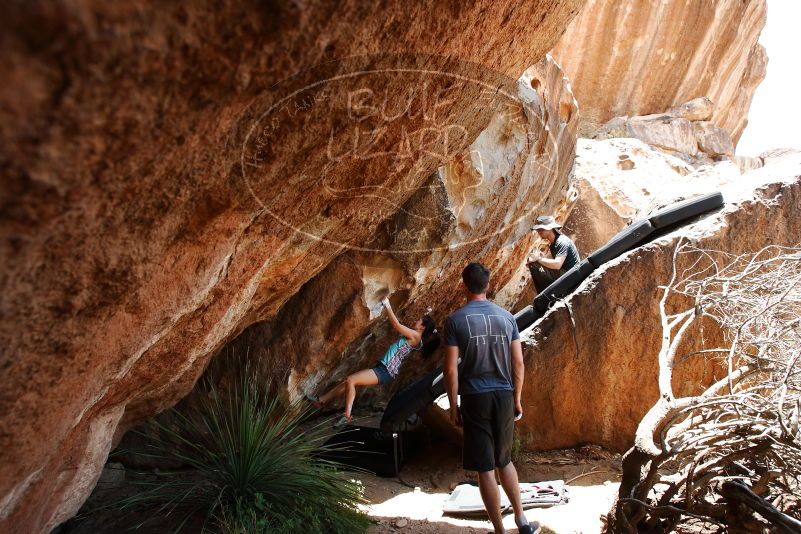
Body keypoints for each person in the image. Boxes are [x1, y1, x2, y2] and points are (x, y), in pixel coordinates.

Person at [443, 263, 540, 534]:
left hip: (475, 396)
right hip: (503, 394)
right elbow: (518, 363)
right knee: (504, 460)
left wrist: (453, 406)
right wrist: (517, 398)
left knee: (485, 467)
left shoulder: (455, 320)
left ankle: (499, 531)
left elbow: (450, 369)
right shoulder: (507, 318)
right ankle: (522, 522)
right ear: (489, 285)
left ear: (464, 286)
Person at [306, 297, 438, 428]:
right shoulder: (416, 338)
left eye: (419, 320)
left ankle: (347, 415)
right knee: (346, 382)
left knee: (351, 380)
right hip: (384, 368)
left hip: (385, 371)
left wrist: (387, 305)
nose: (416, 320)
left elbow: (396, 325)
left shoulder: (415, 336)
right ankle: (321, 401)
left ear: (423, 327)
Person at [526, 215, 580, 294]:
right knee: (535, 263)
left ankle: (544, 296)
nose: (539, 231)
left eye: (541, 229)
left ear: (550, 228)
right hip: (565, 274)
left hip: (572, 276)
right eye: (538, 229)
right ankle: (546, 294)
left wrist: (538, 258)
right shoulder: (553, 244)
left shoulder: (562, 241)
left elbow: (557, 264)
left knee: (534, 264)